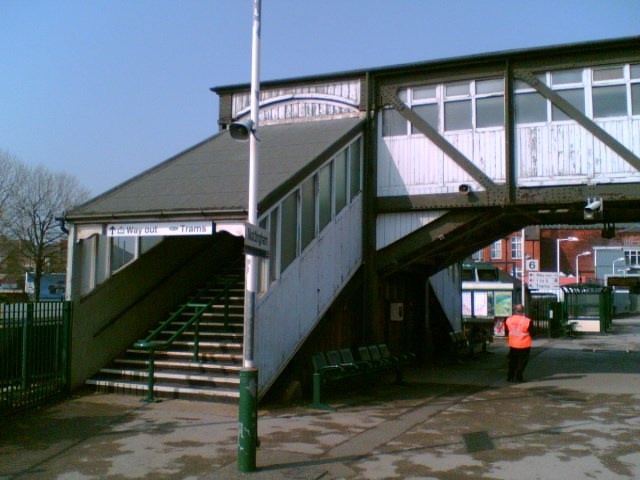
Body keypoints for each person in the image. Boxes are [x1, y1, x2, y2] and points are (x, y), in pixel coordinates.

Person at [505, 304, 532, 382]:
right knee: (522, 362)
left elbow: (507, 331)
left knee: (512, 361)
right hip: (524, 345)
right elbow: (532, 332)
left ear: (514, 311)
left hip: (513, 344)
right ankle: (518, 377)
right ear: (523, 311)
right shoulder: (527, 321)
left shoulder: (508, 320)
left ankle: (510, 377)